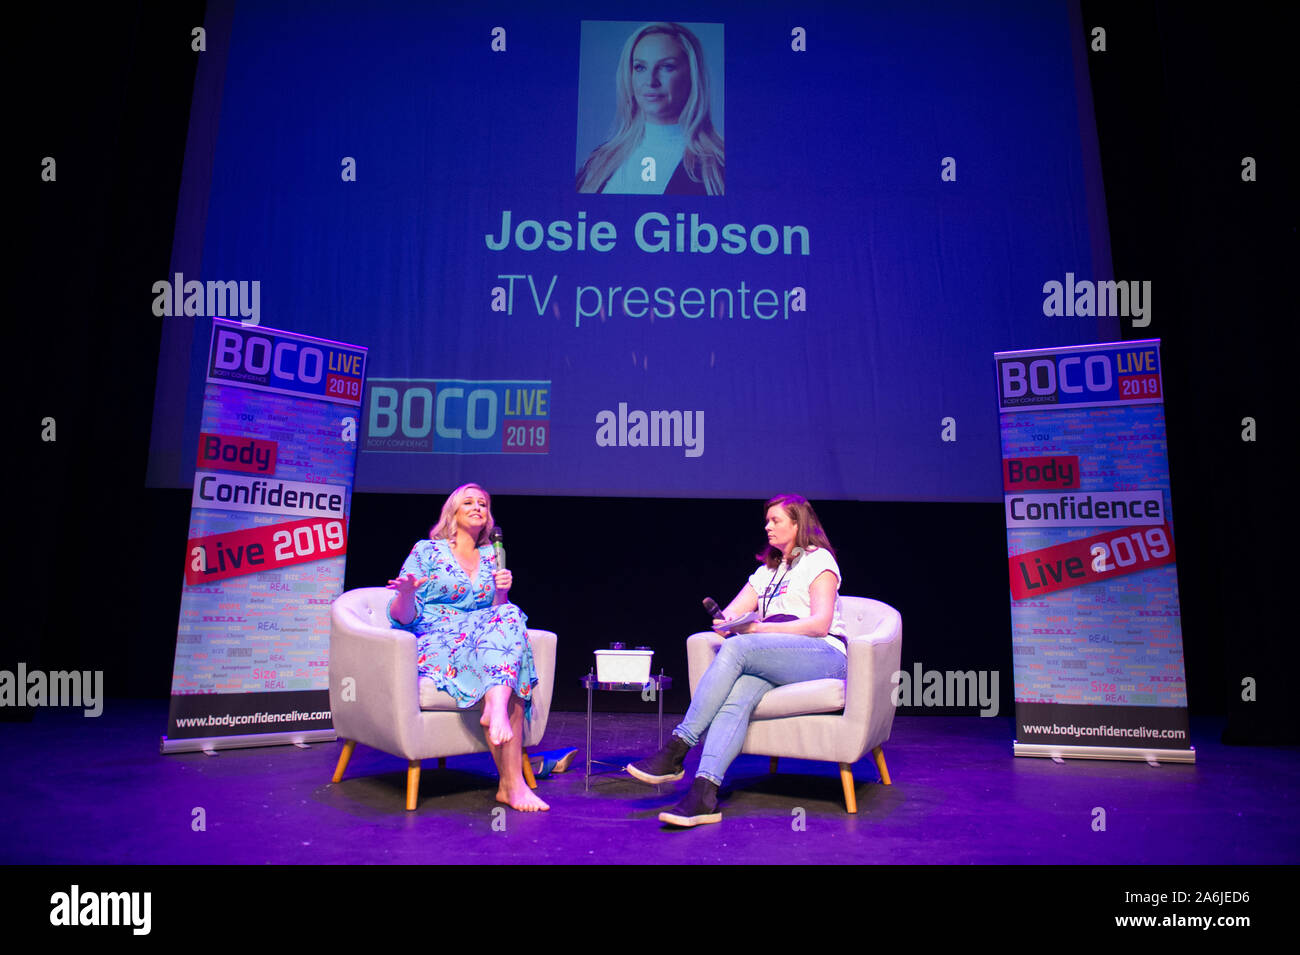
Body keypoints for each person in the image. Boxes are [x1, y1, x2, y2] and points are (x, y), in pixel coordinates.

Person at [626, 494, 849, 826]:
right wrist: (727, 622)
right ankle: (703, 794)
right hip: (779, 657)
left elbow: (819, 625)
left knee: (738, 650)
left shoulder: (820, 561)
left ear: (797, 523)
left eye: (775, 520)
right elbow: (730, 614)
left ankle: (679, 746)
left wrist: (756, 628)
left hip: (824, 655)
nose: (767, 526)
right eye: (767, 521)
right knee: (738, 695)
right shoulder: (766, 572)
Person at [386, 483, 547, 812]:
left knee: (510, 613)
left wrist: (502, 592)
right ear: (453, 513)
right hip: (436, 636)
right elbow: (401, 618)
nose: (477, 508)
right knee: (510, 664)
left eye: (484, 504)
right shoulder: (427, 551)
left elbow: (496, 610)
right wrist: (405, 594)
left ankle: (497, 717)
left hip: (480, 641)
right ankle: (511, 778)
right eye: (469, 503)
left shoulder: (493, 555)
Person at [576, 21, 725, 195]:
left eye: (667, 67)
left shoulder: (718, 166)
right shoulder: (598, 160)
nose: (651, 81)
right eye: (640, 67)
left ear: (692, 75)